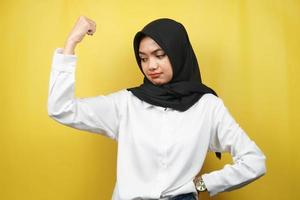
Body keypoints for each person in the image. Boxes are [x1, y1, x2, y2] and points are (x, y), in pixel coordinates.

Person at [48, 16, 266, 200]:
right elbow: (61, 108)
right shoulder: (126, 104)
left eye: (160, 55)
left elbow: (254, 161)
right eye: (143, 59)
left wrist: (201, 185)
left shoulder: (207, 106)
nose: (151, 66)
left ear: (178, 52)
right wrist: (71, 43)